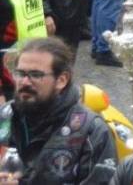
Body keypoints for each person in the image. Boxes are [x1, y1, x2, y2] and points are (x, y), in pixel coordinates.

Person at [0, 37, 117, 184]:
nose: (24, 82)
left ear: (62, 80)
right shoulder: (4, 116)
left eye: (36, 75)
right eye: (20, 74)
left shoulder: (91, 131)